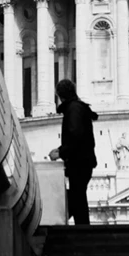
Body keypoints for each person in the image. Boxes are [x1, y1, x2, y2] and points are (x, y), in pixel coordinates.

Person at [45, 77, 98, 225]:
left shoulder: (73, 110)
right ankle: (81, 229)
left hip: (79, 162)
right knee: (78, 197)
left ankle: (61, 223)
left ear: (60, 96)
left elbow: (75, 137)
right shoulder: (78, 108)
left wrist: (60, 152)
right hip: (84, 161)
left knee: (76, 197)